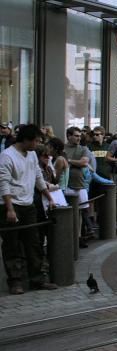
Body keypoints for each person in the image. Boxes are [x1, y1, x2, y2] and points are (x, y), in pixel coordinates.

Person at [0, 124, 58, 294]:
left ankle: (37, 279)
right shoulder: (7, 156)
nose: (37, 145)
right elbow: (3, 183)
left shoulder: (32, 154)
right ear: (25, 140)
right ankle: (15, 281)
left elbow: (38, 178)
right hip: (10, 205)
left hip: (28, 205)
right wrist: (9, 209)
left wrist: (49, 197)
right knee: (12, 245)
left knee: (33, 244)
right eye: (36, 141)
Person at [63, 126, 93, 245]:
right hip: (64, 185)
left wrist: (68, 161)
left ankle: (79, 237)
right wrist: (76, 163)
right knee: (67, 213)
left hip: (79, 185)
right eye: (76, 136)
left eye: (80, 136)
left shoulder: (83, 149)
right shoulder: (63, 148)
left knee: (81, 212)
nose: (78, 138)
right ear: (69, 136)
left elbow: (84, 162)